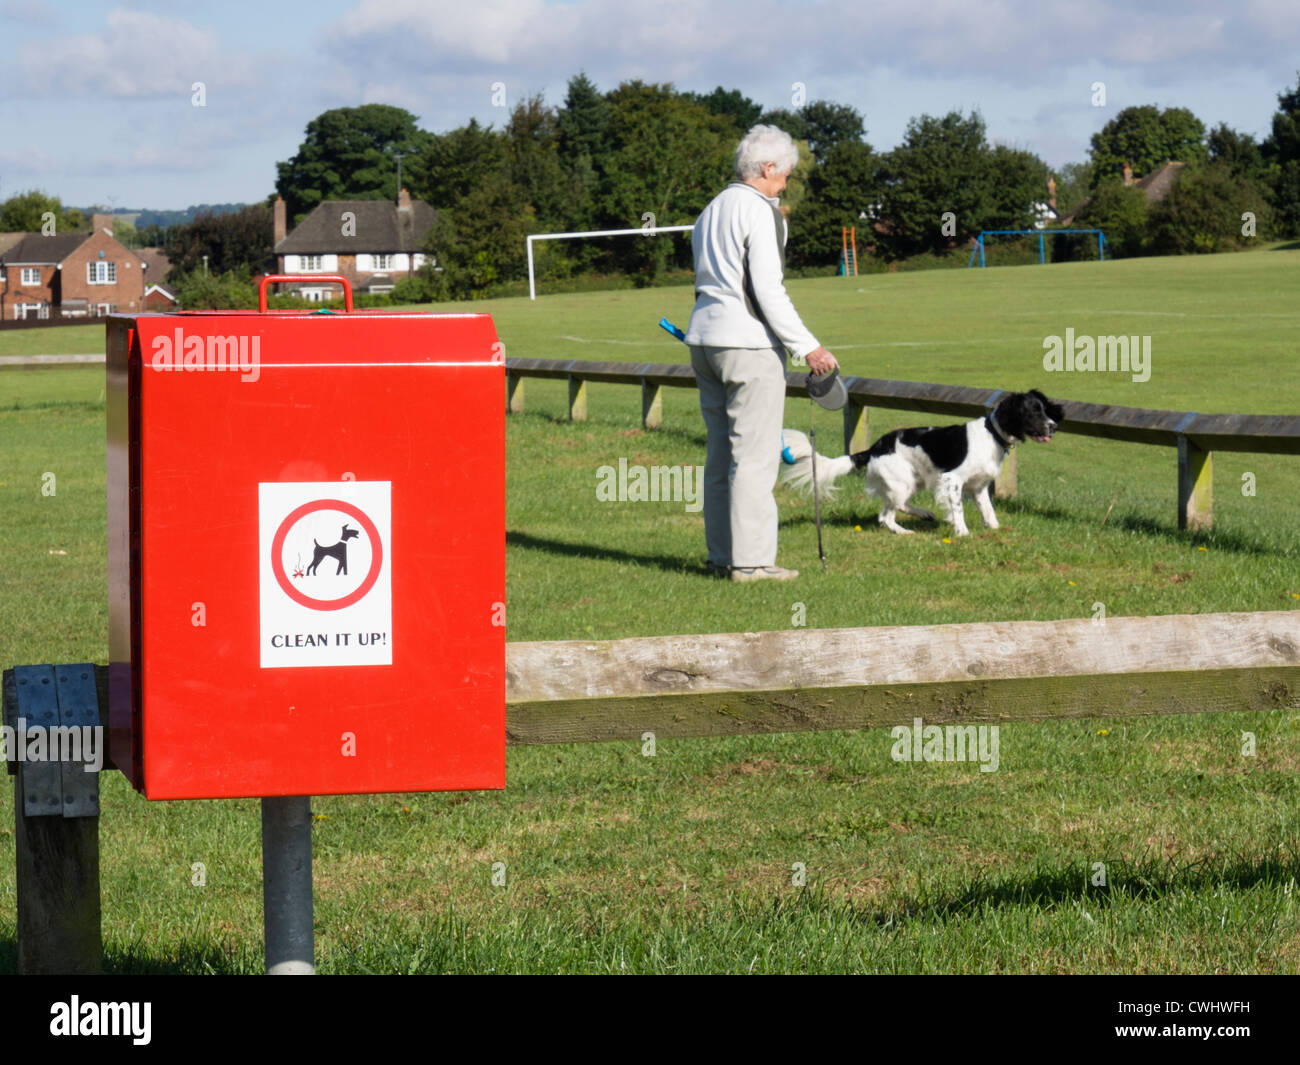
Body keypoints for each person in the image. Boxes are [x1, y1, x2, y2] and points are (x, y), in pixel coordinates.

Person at [684, 124, 839, 582]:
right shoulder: (763, 212)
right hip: (748, 346)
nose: (786, 183)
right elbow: (767, 290)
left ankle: (721, 557)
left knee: (720, 456)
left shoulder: (710, 209)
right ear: (767, 168)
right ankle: (751, 564)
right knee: (753, 458)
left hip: (705, 343)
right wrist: (807, 347)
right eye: (785, 174)